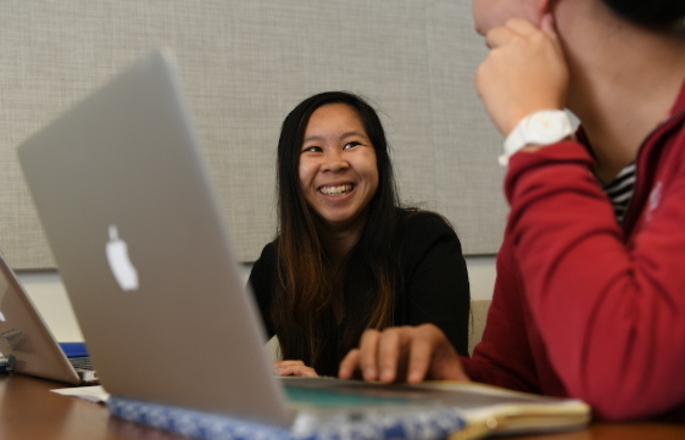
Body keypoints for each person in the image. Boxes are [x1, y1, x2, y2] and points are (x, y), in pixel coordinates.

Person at [338, 0, 685, 422]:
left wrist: (534, 132)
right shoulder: (562, 172)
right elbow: (520, 381)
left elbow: (627, 375)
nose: (474, 15)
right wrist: (451, 380)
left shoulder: (547, 159)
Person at [248, 91, 471, 378]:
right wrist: (260, 378)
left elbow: (444, 384)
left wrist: (326, 395)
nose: (334, 163)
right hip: (308, 423)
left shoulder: (427, 240)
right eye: (314, 149)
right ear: (287, 171)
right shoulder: (278, 261)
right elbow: (217, 358)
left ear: (380, 159)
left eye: (351, 144)